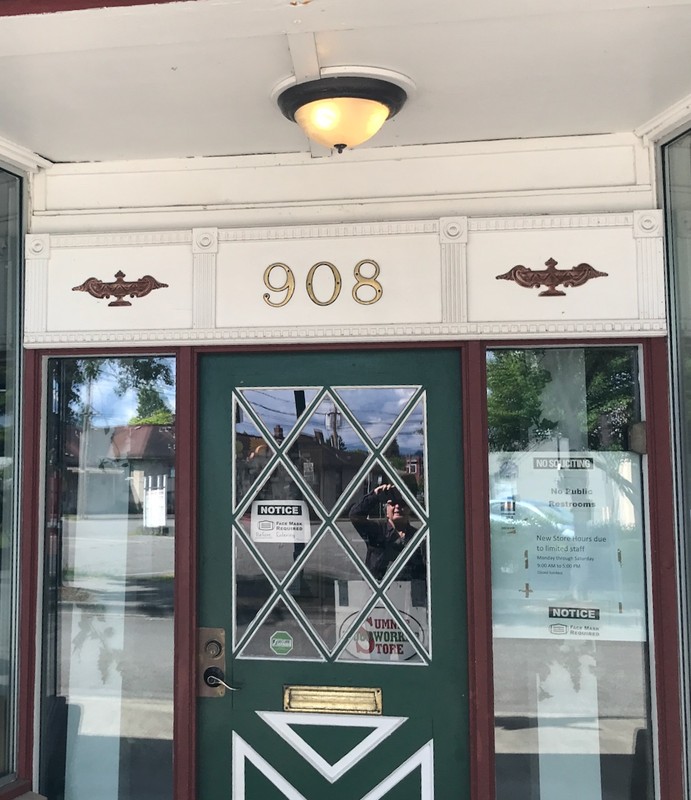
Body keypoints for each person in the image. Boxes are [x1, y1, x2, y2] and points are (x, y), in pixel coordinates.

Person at [349, 483, 425, 581]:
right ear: (386, 511)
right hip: (377, 588)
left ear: (409, 509)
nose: (397, 507)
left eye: (402, 504)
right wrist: (375, 495)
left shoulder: (418, 537)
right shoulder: (377, 530)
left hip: (410, 591)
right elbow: (355, 515)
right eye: (392, 504)